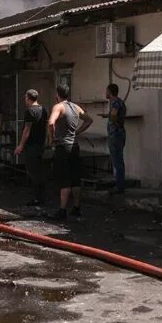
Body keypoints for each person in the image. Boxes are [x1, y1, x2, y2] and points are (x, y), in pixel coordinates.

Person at [46, 84, 93, 221]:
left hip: (63, 146)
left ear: (57, 94)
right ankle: (77, 207)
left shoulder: (59, 106)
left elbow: (50, 123)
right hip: (74, 145)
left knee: (64, 179)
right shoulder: (75, 107)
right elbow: (89, 120)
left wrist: (51, 139)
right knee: (75, 178)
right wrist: (77, 132)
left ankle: (62, 210)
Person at [14, 89, 48, 206]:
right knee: (39, 170)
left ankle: (38, 198)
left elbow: (27, 130)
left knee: (33, 171)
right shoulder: (43, 109)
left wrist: (20, 145)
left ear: (28, 98)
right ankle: (41, 196)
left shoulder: (29, 111)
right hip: (40, 144)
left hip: (31, 145)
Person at [105, 83, 127, 195]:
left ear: (110, 91)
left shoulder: (115, 103)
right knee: (119, 160)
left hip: (115, 135)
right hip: (120, 134)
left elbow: (114, 115)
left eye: (106, 91)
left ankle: (119, 186)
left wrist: (112, 120)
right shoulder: (119, 102)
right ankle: (120, 184)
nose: (105, 93)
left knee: (117, 160)